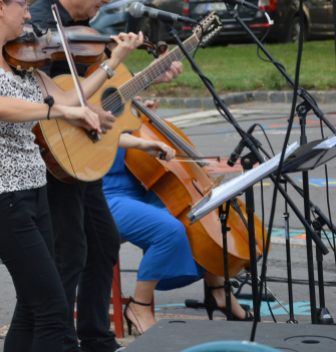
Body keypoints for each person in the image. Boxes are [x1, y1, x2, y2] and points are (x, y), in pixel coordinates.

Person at [0, 0, 149, 352]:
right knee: (53, 311)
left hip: (34, 194)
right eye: (23, 5)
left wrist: (111, 64)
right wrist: (54, 112)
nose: (29, 14)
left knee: (31, 307)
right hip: (1, 199)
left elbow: (72, 100)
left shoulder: (22, 65)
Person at [28, 0, 184, 352]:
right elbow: (51, 95)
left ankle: (97, 338)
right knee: (68, 254)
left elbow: (98, 99)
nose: (106, 1)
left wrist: (142, 85)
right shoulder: (38, 25)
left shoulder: (82, 32)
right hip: (52, 156)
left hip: (86, 155)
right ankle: (58, 342)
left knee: (103, 243)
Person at [103, 103, 253, 335]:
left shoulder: (117, 90)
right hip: (104, 193)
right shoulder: (86, 95)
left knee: (201, 217)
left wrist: (143, 115)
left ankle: (220, 291)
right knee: (170, 229)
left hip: (141, 187)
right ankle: (139, 306)